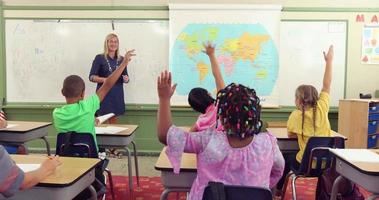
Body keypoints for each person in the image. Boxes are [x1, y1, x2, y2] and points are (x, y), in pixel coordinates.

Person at [157, 71, 285, 200]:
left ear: (222, 118)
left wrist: (164, 98)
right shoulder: (269, 144)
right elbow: (278, 170)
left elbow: (165, 135)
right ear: (255, 115)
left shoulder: (206, 140)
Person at [275, 45, 334, 196]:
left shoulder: (296, 116)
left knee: (284, 159)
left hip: (305, 164)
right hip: (327, 163)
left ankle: (279, 192)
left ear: (299, 101)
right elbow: (327, 84)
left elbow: (290, 136)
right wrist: (329, 61)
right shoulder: (322, 107)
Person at [89, 33, 130, 124]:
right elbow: (91, 77)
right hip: (103, 95)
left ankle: (113, 139)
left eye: (116, 42)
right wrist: (105, 80)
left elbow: (125, 76)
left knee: (113, 123)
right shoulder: (99, 58)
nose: (113, 44)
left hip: (116, 95)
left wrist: (126, 79)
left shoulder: (122, 59)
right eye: (111, 41)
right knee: (100, 122)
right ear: (106, 43)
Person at [188, 42, 225, 132]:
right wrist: (211, 55)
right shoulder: (220, 106)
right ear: (208, 94)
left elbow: (187, 138)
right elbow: (218, 76)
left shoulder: (200, 122)